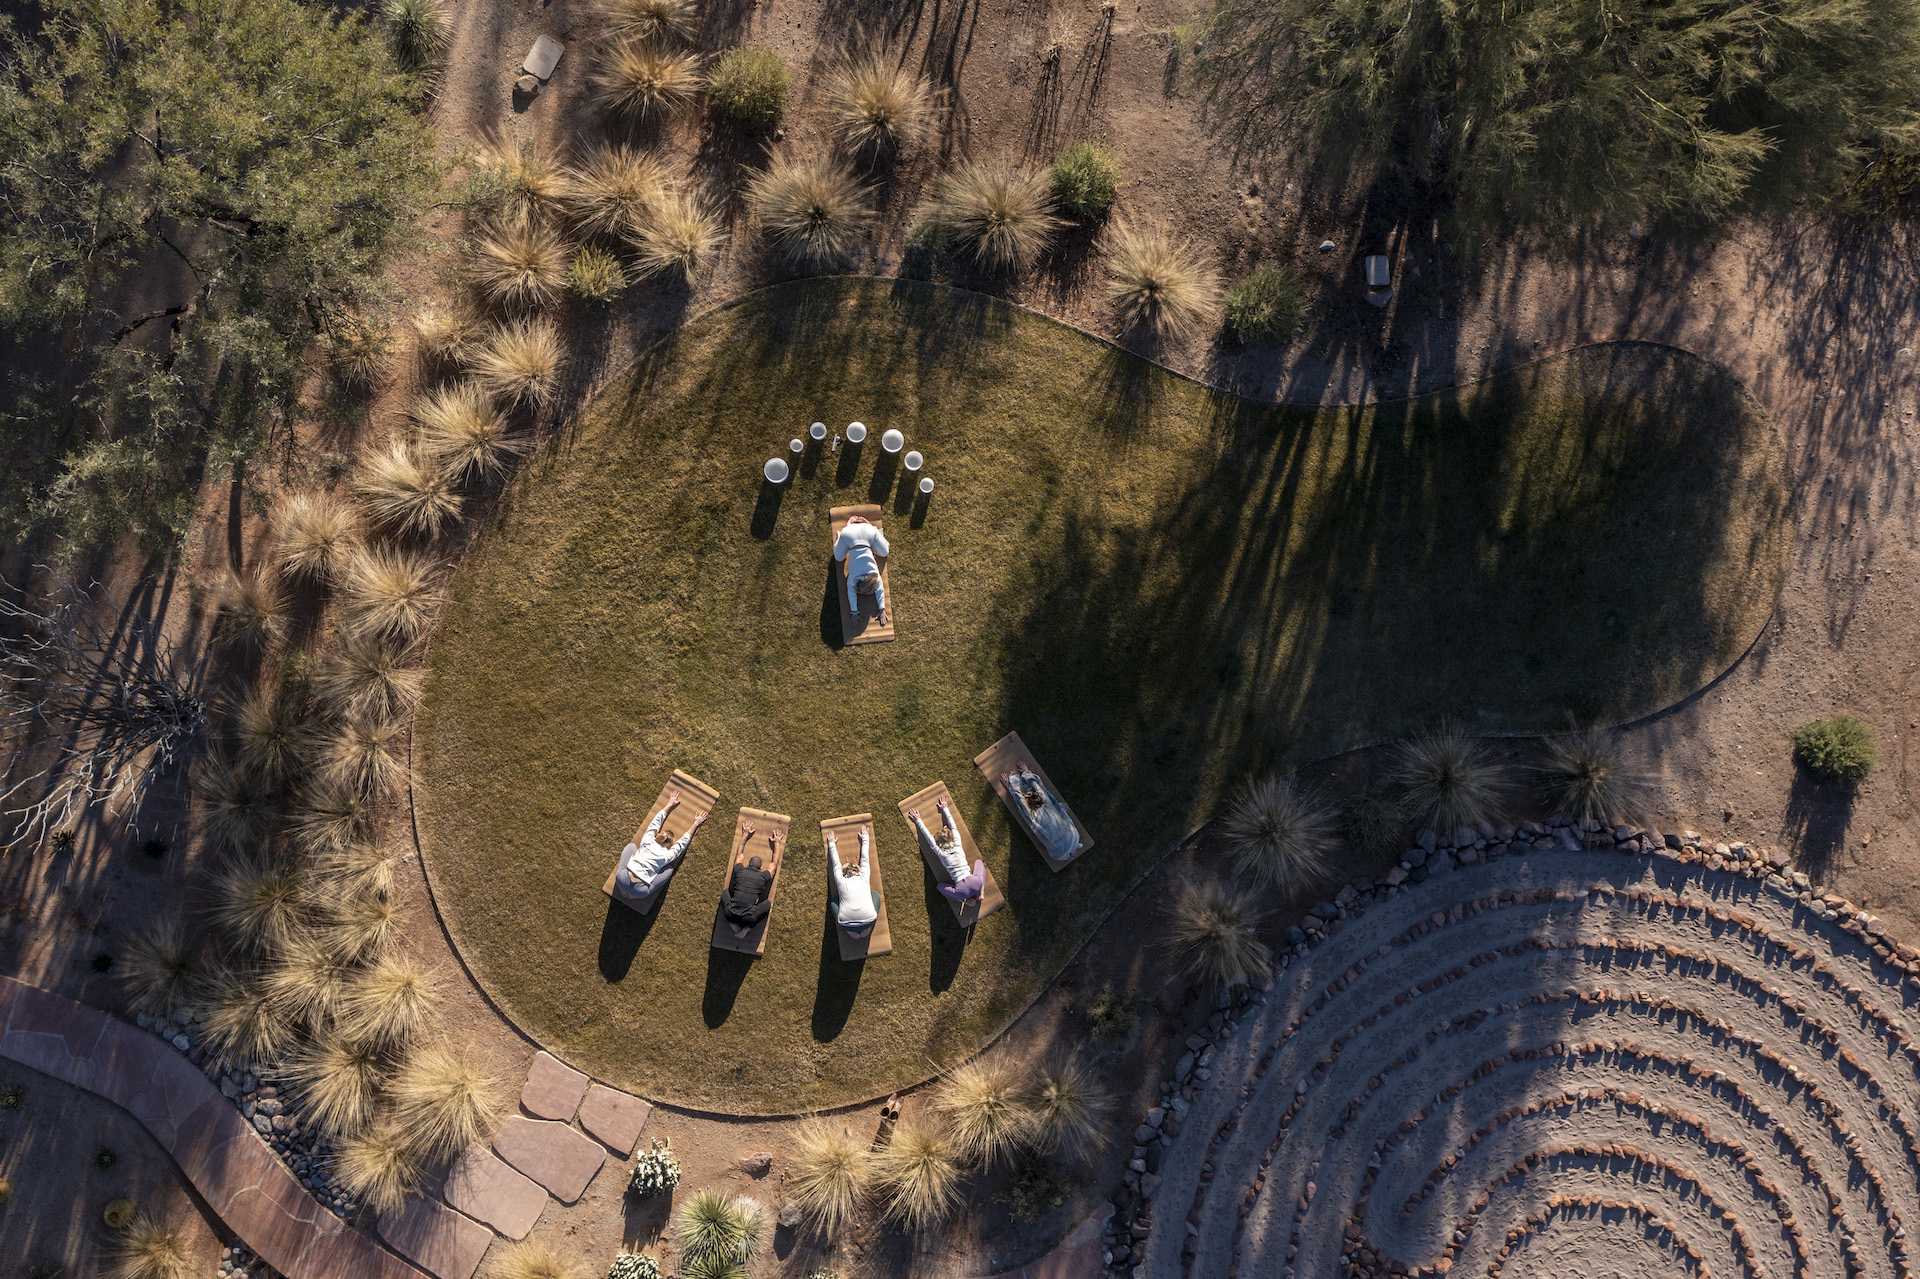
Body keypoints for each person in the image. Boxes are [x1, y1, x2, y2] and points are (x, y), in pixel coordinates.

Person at [613, 791, 706, 903]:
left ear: (658, 836)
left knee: (631, 846)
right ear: (669, 845)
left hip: (621, 880)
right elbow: (682, 844)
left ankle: (625, 890)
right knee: (669, 869)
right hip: (640, 892)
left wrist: (670, 804)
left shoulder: (647, 840)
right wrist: (695, 824)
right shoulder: (667, 855)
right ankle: (631, 895)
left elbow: (655, 823)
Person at [910, 797, 984, 900]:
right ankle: (981, 892)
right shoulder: (957, 843)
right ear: (951, 837)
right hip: (976, 883)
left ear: (939, 844)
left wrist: (918, 820)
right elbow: (953, 826)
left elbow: (928, 836)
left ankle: (966, 900)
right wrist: (945, 808)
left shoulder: (940, 852)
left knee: (939, 886)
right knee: (979, 862)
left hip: (962, 891)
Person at [1002, 764, 1079, 861]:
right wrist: (1026, 772)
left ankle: (1071, 849)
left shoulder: (1033, 815)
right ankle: (1071, 848)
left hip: (1065, 844)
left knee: (1063, 847)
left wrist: (1010, 786)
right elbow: (1038, 788)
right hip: (1070, 838)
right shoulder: (1045, 803)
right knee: (1066, 839)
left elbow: (1020, 801)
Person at [833, 513, 890, 625]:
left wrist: (881, 609)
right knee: (838, 557)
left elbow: (879, 590)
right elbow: (852, 594)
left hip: (863, 533)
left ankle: (860, 526)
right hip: (852, 534)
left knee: (885, 552)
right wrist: (880, 610)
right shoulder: (855, 578)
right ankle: (853, 527)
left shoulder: (873, 575)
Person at [723, 825, 779, 936]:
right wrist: (776, 843)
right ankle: (746, 930)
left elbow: (739, 854)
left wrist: (745, 834)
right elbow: (774, 864)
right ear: (761, 868)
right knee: (767, 904)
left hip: (729, 914)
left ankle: (733, 925)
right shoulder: (763, 876)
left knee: (725, 893)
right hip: (748, 919)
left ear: (747, 864)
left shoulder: (739, 870)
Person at [827, 824, 877, 933]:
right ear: (857, 870)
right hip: (869, 920)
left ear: (844, 872)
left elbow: (836, 863)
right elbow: (865, 858)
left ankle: (852, 933)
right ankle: (865, 930)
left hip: (846, 924)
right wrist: (865, 838)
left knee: (834, 901)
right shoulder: (863, 875)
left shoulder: (841, 880)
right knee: (875, 896)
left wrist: (831, 843)